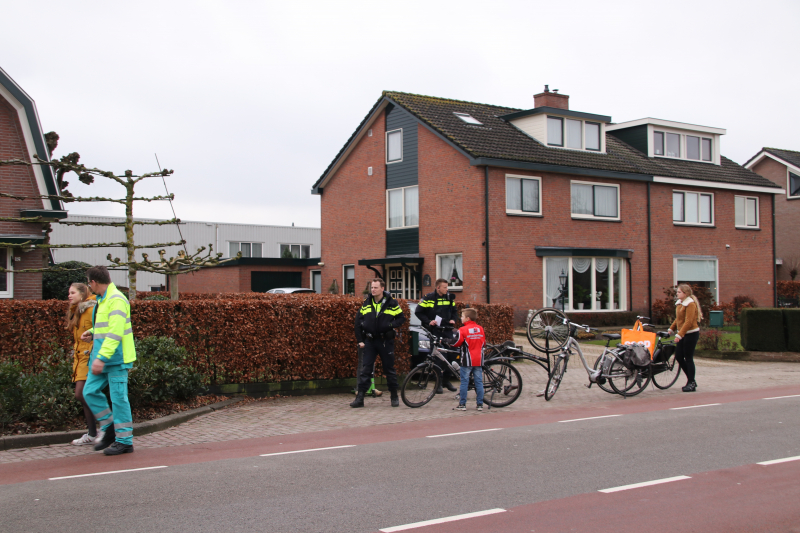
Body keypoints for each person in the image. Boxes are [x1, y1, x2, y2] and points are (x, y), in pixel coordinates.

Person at [79, 266, 137, 455]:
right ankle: (110, 427)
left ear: (94, 282)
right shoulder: (103, 300)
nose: (90, 287)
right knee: (89, 392)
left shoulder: (116, 300)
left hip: (116, 359)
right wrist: (93, 332)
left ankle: (125, 441)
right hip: (103, 359)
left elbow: (116, 332)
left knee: (119, 399)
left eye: (89, 283)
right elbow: (107, 327)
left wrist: (101, 358)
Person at [352, 278, 405, 408]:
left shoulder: (391, 303)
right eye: (372, 288)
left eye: (375, 287)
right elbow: (358, 322)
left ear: (382, 288)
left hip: (385, 341)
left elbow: (401, 318)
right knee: (366, 370)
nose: (373, 290)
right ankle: (360, 398)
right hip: (370, 341)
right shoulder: (367, 303)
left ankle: (394, 396)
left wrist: (390, 325)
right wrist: (360, 340)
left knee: (389, 369)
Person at [65, 282, 98, 445]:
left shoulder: (91, 309)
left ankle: (104, 426)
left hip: (88, 357)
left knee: (82, 394)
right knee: (85, 395)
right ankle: (93, 433)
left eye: (72, 293)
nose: (69, 296)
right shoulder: (76, 312)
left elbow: (100, 330)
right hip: (80, 359)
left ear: (82, 294)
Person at [414, 278, 459, 394]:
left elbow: (455, 311)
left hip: (448, 331)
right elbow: (418, 312)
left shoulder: (449, 298)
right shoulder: (428, 298)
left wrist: (453, 320)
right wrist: (429, 321)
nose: (447, 289)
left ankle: (446, 380)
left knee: (451, 356)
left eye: (447, 287)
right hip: (436, 331)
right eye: (445, 287)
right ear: (438, 288)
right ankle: (438, 383)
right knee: (438, 358)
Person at [449, 307, 486, 411]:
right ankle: (480, 404)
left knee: (464, 382)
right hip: (478, 359)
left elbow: (457, 343)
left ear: (468, 318)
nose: (461, 318)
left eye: (462, 316)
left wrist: (448, 341)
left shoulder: (463, 329)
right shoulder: (480, 329)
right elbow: (483, 343)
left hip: (467, 360)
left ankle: (462, 404)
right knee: (479, 382)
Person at [668, 284, 702, 392]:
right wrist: (671, 329)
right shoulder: (679, 304)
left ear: (685, 293)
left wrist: (679, 335)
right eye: (677, 292)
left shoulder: (690, 304)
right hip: (683, 333)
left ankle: (691, 382)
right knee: (678, 356)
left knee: (688, 358)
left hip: (691, 333)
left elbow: (689, 321)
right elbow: (678, 319)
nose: (677, 294)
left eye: (679, 292)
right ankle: (691, 380)